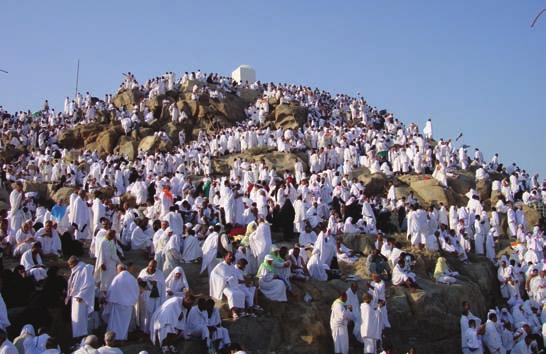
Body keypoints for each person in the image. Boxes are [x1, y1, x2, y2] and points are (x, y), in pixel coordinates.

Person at [103, 264, 139, 341]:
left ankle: (113, 338)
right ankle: (122, 338)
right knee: (124, 324)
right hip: (128, 306)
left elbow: (111, 290)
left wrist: (107, 299)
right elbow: (136, 291)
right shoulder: (132, 278)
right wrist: (132, 300)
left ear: (119, 269)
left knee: (115, 323)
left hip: (118, 305)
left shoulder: (117, 278)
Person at [209, 252, 246, 319]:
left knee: (241, 293)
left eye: (232, 256)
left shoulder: (232, 266)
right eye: (229, 256)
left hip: (233, 285)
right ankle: (234, 313)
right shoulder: (220, 266)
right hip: (224, 285)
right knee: (232, 294)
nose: (231, 257)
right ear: (225, 257)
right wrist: (224, 279)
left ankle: (241, 311)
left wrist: (233, 279)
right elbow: (213, 274)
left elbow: (235, 276)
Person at [66, 256, 95, 339]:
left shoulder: (85, 269)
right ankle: (77, 336)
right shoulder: (75, 271)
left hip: (81, 298)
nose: (70, 267)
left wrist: (81, 294)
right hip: (75, 298)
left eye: (70, 265)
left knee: (81, 318)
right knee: (76, 318)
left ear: (74, 263)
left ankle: (82, 336)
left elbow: (89, 283)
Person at [137, 260, 166, 333]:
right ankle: (143, 330)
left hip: (154, 298)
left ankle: (151, 330)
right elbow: (138, 282)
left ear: (155, 267)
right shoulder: (143, 271)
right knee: (144, 313)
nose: (151, 268)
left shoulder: (159, 274)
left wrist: (155, 284)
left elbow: (162, 286)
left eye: (153, 267)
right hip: (144, 296)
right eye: (150, 266)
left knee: (152, 313)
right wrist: (144, 282)